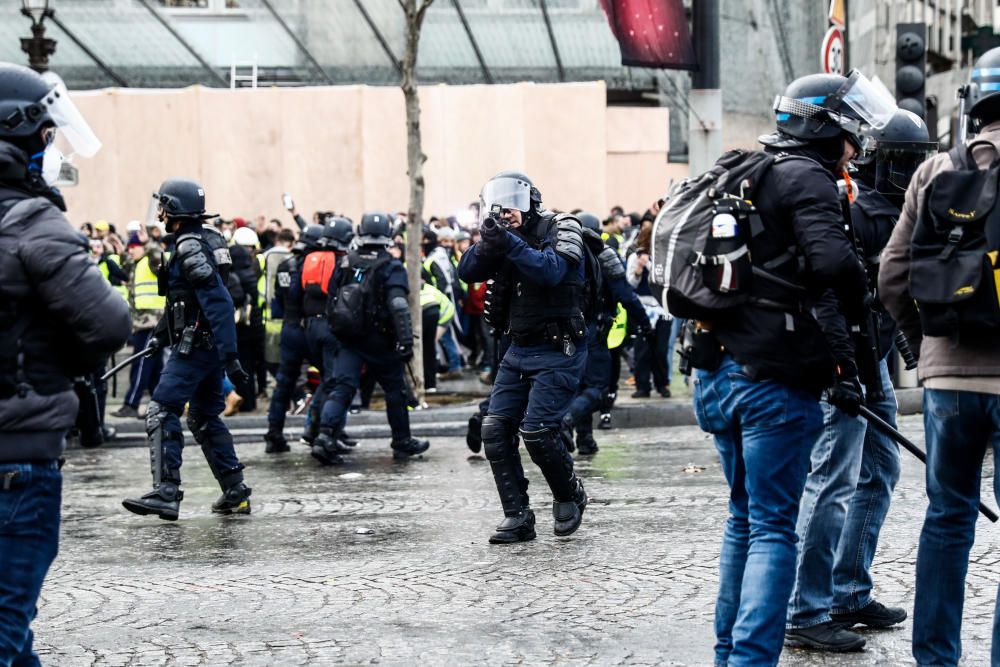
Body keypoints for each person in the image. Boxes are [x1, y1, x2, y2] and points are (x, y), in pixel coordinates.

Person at [688, 71, 893, 665]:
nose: (857, 139)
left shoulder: (748, 168)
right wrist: (857, 331)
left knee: (743, 519)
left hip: (716, 371)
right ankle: (751, 660)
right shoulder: (806, 175)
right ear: (826, 125)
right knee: (774, 528)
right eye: (850, 125)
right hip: (771, 379)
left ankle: (730, 654)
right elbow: (832, 264)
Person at [784, 109, 935, 652]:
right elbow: (838, 289)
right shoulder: (862, 211)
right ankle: (806, 609)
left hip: (869, 360)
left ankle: (847, 591)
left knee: (879, 471)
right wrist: (845, 367)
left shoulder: (891, 209)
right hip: (846, 362)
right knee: (833, 480)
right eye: (912, 161)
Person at [0, 62, 130, 666]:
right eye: (47, 138)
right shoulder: (32, 223)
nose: (52, 150)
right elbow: (108, 323)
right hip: (17, 457)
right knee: (4, 626)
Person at [880, 47, 1000, 666]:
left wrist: (924, 343)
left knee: (948, 519)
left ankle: (935, 660)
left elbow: (892, 275)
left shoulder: (934, 173)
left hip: (950, 378)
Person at [457, 171, 589, 544]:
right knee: (494, 430)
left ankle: (570, 494)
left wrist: (510, 242)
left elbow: (551, 271)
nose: (507, 211)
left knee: (538, 431)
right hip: (518, 348)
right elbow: (467, 271)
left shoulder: (561, 227)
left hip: (559, 347)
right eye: (499, 203)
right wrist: (488, 242)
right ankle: (518, 516)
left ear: (531, 200)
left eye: (513, 202)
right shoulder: (502, 237)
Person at [122, 179, 252, 521]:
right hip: (199, 345)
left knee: (162, 410)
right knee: (204, 417)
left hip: (196, 347)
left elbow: (219, 302)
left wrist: (231, 357)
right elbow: (183, 300)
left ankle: (166, 492)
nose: (160, 213)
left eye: (163, 206)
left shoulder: (190, 246)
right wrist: (160, 337)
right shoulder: (200, 239)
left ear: (175, 210)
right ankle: (235, 491)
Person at [312, 212, 429, 465]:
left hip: (349, 339)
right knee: (395, 391)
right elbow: (398, 305)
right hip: (380, 342)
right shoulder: (391, 265)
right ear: (388, 236)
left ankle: (324, 437)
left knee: (342, 388)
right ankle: (401, 442)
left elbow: (331, 297)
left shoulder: (345, 262)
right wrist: (406, 341)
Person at [560, 212, 647, 456]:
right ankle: (566, 421)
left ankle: (585, 439)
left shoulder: (564, 254)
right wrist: (644, 323)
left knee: (580, 387)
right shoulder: (604, 254)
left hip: (567, 333)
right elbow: (626, 295)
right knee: (597, 388)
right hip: (593, 331)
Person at [263, 224, 323, 453]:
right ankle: (322, 431)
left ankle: (274, 434)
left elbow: (278, 299)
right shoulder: (313, 265)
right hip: (308, 326)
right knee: (330, 379)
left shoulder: (286, 265)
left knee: (284, 383)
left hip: (288, 327)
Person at [113, 233, 166, 419]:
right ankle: (162, 404)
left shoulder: (150, 261)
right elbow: (126, 267)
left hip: (152, 322)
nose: (131, 250)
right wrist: (121, 252)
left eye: (134, 247)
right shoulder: (137, 264)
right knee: (154, 368)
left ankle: (132, 403)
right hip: (144, 323)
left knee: (141, 364)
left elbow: (159, 257)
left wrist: (148, 242)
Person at [230, 226, 264, 411]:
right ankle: (249, 401)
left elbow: (236, 298)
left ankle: (243, 401)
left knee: (242, 365)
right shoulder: (250, 272)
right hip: (254, 324)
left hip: (242, 326)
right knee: (250, 365)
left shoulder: (236, 276)